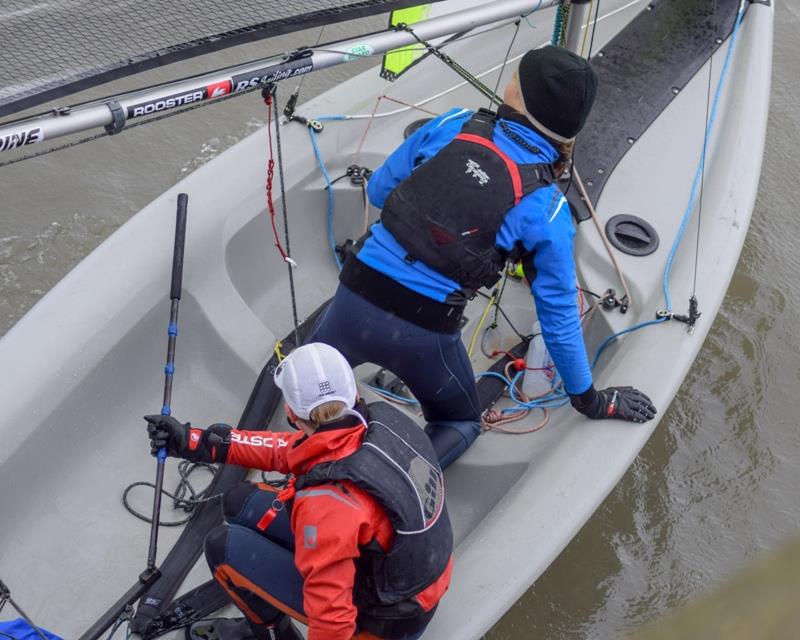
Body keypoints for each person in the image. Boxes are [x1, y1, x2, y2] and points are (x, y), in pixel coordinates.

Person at [307, 45, 656, 469]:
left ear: (517, 98)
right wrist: (591, 400)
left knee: (308, 382)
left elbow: (380, 191)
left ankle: (307, 444)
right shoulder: (548, 209)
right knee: (462, 421)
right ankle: (381, 486)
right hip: (424, 331)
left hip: (354, 299)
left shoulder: (455, 123)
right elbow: (559, 318)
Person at [144, 343, 452, 640]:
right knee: (239, 502)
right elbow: (287, 450)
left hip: (383, 619)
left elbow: (332, 620)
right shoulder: (375, 425)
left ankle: (273, 635)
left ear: (291, 413)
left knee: (220, 548)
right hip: (404, 579)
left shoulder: (327, 503)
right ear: (353, 393)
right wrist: (193, 441)